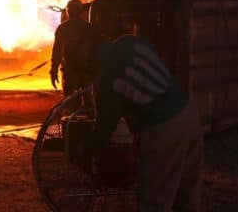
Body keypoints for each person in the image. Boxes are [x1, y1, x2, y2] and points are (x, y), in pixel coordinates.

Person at [77, 35, 202, 211]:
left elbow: (104, 129)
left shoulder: (107, 82)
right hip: (188, 112)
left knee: (154, 198)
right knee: (186, 194)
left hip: (163, 128)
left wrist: (86, 149)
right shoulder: (130, 42)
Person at [49, 0, 98, 96]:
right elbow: (95, 50)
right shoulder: (89, 28)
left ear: (68, 11)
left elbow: (57, 51)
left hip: (69, 72)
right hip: (86, 71)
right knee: (89, 102)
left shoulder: (63, 28)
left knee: (69, 102)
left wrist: (54, 70)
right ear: (80, 11)